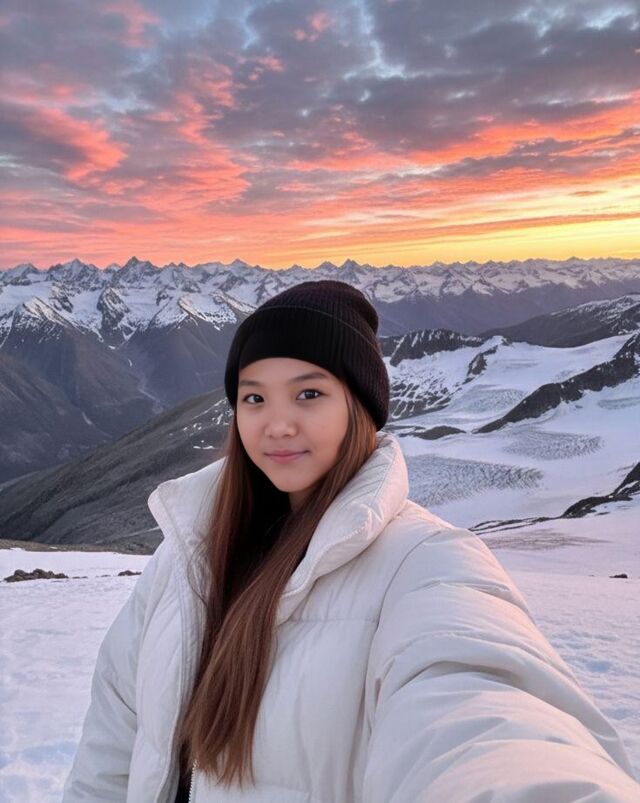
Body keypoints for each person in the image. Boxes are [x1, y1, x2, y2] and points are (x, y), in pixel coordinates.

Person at [62, 279, 640, 802]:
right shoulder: (185, 557)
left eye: (309, 394)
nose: (277, 424)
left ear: (357, 406)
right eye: (254, 397)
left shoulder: (427, 563)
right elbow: (112, 741)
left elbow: (483, 713)